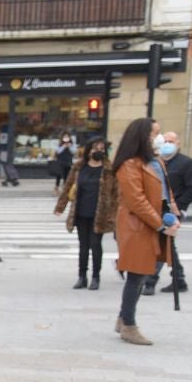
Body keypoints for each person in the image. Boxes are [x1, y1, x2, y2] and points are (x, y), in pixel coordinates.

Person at [112, 118, 179, 345]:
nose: (158, 139)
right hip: (138, 226)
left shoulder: (155, 162)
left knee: (144, 273)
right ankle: (129, 324)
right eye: (154, 134)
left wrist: (174, 217)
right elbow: (136, 201)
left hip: (155, 223)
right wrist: (160, 224)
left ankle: (123, 318)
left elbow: (165, 194)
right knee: (137, 275)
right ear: (141, 136)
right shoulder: (129, 164)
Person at [54, 137, 117, 290]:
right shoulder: (78, 167)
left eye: (102, 149)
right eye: (96, 148)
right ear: (89, 151)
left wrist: (113, 214)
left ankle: (96, 277)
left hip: (100, 213)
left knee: (95, 244)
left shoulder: (109, 169)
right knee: (83, 245)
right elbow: (68, 186)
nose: (99, 151)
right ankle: (82, 276)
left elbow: (116, 194)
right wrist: (60, 207)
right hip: (81, 211)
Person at [146, 130, 192, 294]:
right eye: (165, 141)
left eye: (172, 141)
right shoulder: (157, 162)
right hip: (157, 208)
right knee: (168, 245)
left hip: (173, 211)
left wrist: (178, 206)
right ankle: (179, 279)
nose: (168, 144)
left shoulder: (187, 164)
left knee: (163, 243)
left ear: (178, 144)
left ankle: (150, 281)